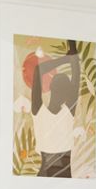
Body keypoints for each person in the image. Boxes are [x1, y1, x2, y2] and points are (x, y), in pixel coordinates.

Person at [23, 40, 82, 177]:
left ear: (51, 88)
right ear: (68, 93)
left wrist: (65, 59)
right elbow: (76, 73)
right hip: (65, 176)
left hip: (44, 175)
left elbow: (38, 70)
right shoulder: (69, 111)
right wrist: (71, 56)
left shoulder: (38, 111)